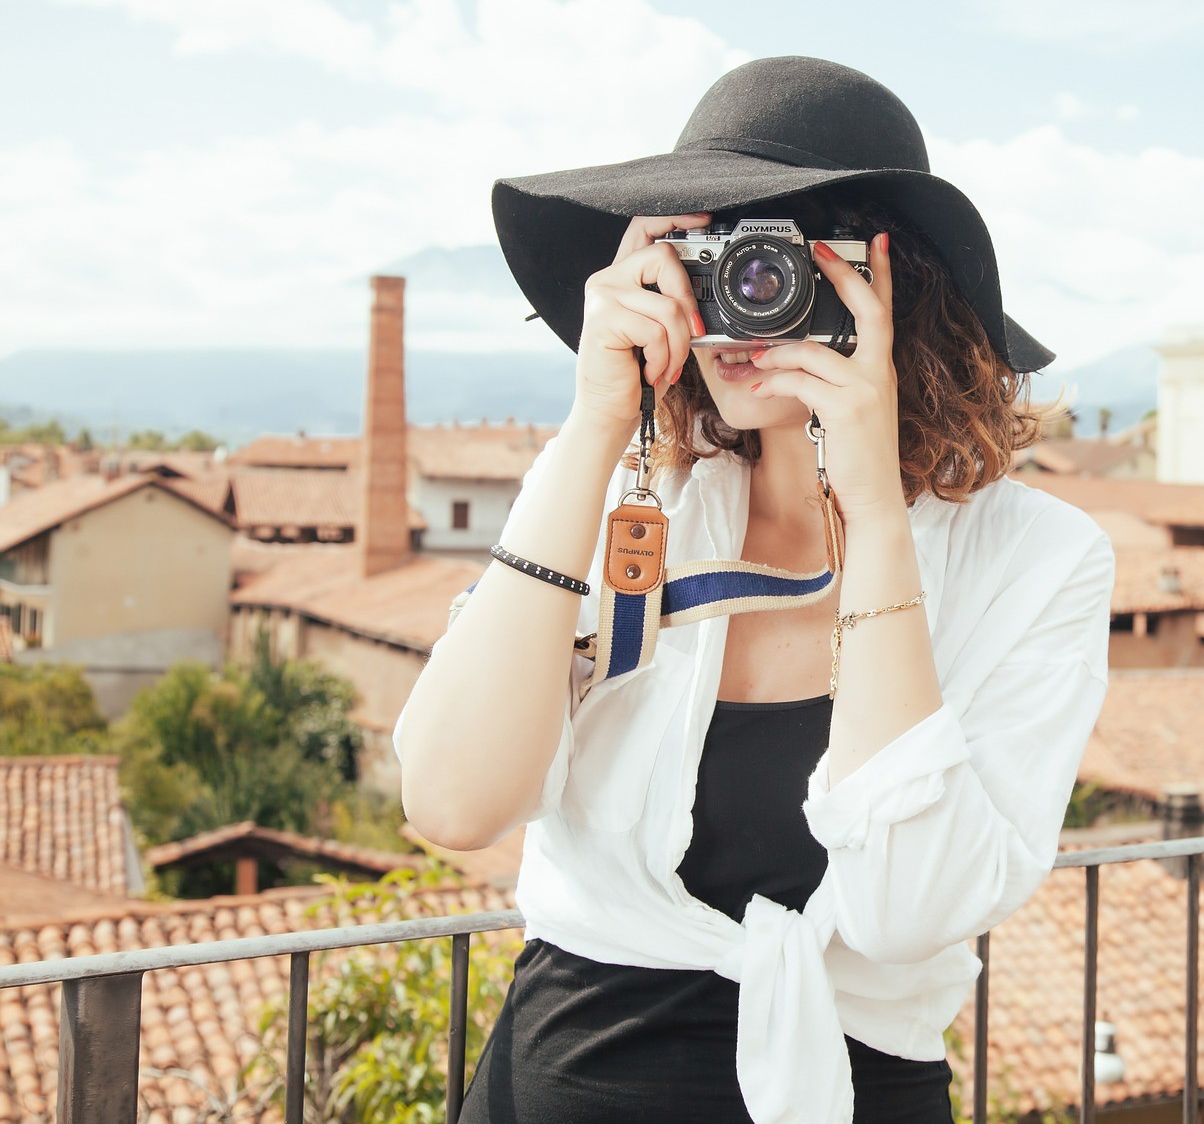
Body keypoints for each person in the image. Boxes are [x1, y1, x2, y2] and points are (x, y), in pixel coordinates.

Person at [393, 56, 1116, 1124]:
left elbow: (909, 908)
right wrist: (596, 421)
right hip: (567, 1076)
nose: (741, 296)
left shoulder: (1039, 559)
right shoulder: (622, 494)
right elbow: (453, 802)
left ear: (890, 280)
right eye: (707, 253)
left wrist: (872, 513)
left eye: (777, 257)